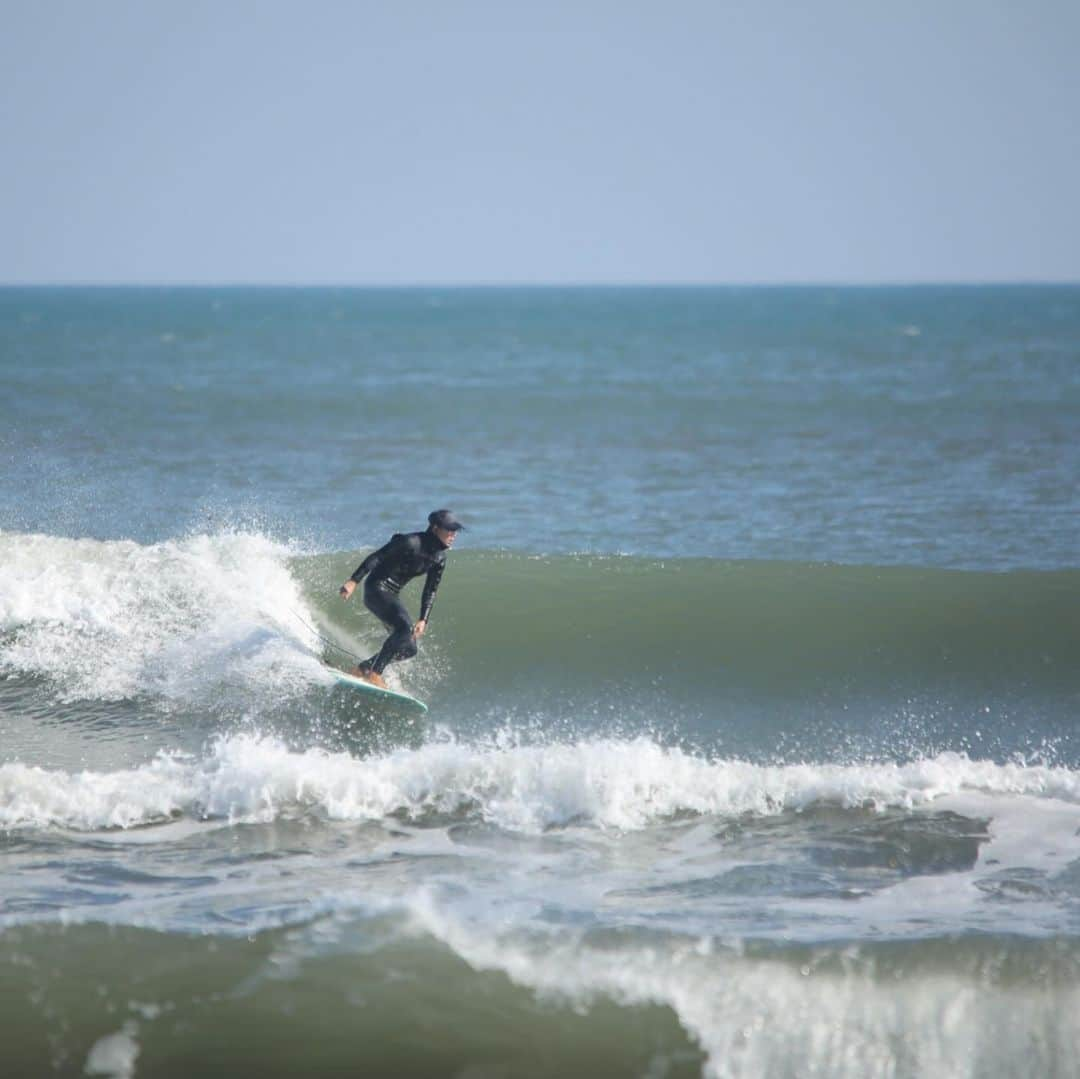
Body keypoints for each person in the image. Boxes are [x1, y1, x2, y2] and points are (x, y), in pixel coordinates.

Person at [339, 509, 465, 687]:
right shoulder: (410, 542)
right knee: (404, 628)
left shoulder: (439, 559)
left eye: (455, 531)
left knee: (409, 648)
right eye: (449, 530)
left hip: (392, 594)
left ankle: (363, 669)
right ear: (436, 528)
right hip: (376, 588)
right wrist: (353, 581)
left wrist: (423, 619)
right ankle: (375, 674)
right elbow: (377, 556)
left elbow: (431, 590)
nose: (453, 535)